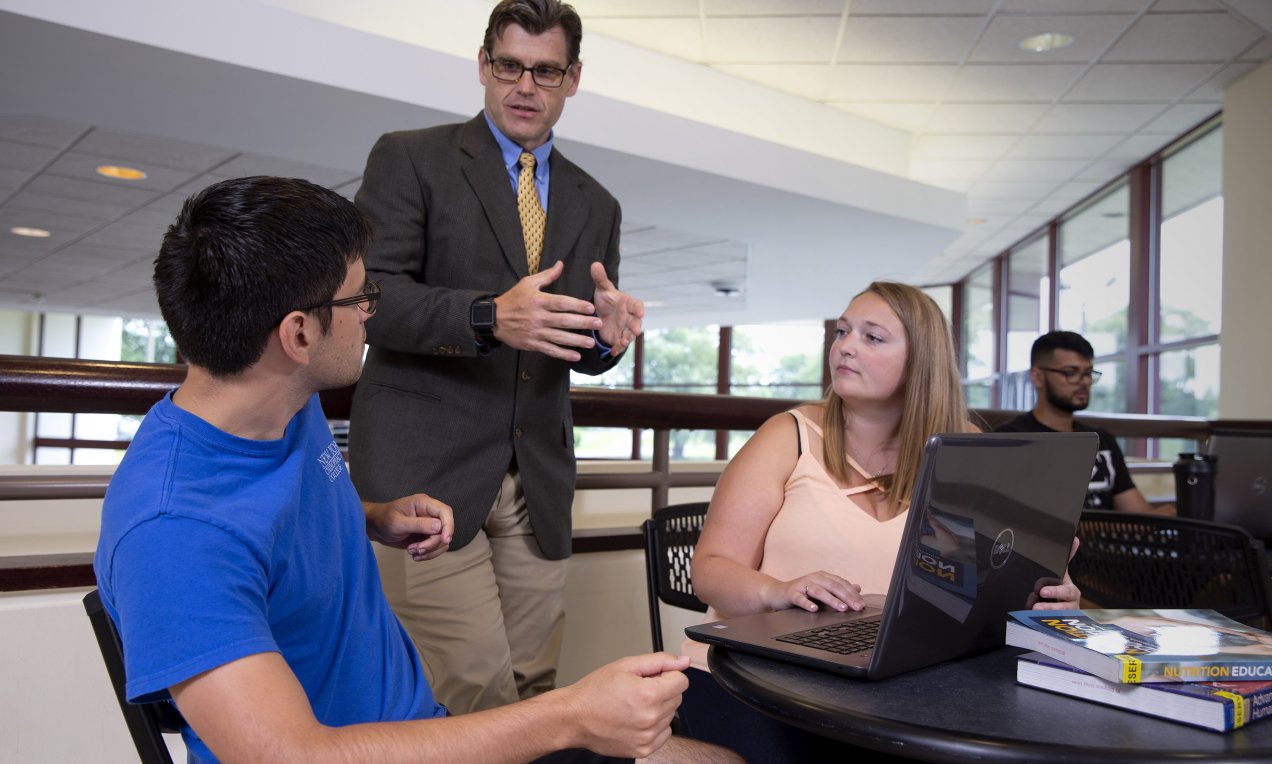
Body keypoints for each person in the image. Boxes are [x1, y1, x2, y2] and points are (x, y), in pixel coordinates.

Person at [93, 176, 736, 764]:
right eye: (360, 297)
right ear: (298, 335)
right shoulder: (173, 529)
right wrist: (569, 714)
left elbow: (277, 522)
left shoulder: (281, 406)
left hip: (421, 724)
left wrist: (372, 517)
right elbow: (288, 757)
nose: (372, 310)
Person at [347, 0, 643, 714]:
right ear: (483, 65)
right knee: (474, 689)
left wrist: (607, 337)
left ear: (572, 80)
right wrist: (487, 316)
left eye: (545, 71)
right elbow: (371, 299)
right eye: (509, 65)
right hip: (427, 472)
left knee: (536, 686)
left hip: (535, 477)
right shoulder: (410, 158)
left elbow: (573, 343)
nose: (524, 86)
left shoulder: (595, 203)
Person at [682, 281, 1083, 761]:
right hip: (752, 678)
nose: (845, 346)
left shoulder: (966, 446)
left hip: (901, 688)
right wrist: (778, 591)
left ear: (921, 362)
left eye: (872, 337)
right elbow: (710, 569)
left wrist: (1047, 591)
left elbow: (978, 587)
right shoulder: (787, 434)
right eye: (842, 332)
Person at [994, 330, 1161, 513]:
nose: (1084, 382)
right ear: (1038, 377)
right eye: (1070, 373)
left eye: (1088, 373)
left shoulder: (1102, 440)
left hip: (1109, 541)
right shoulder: (1009, 440)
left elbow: (1139, 515)